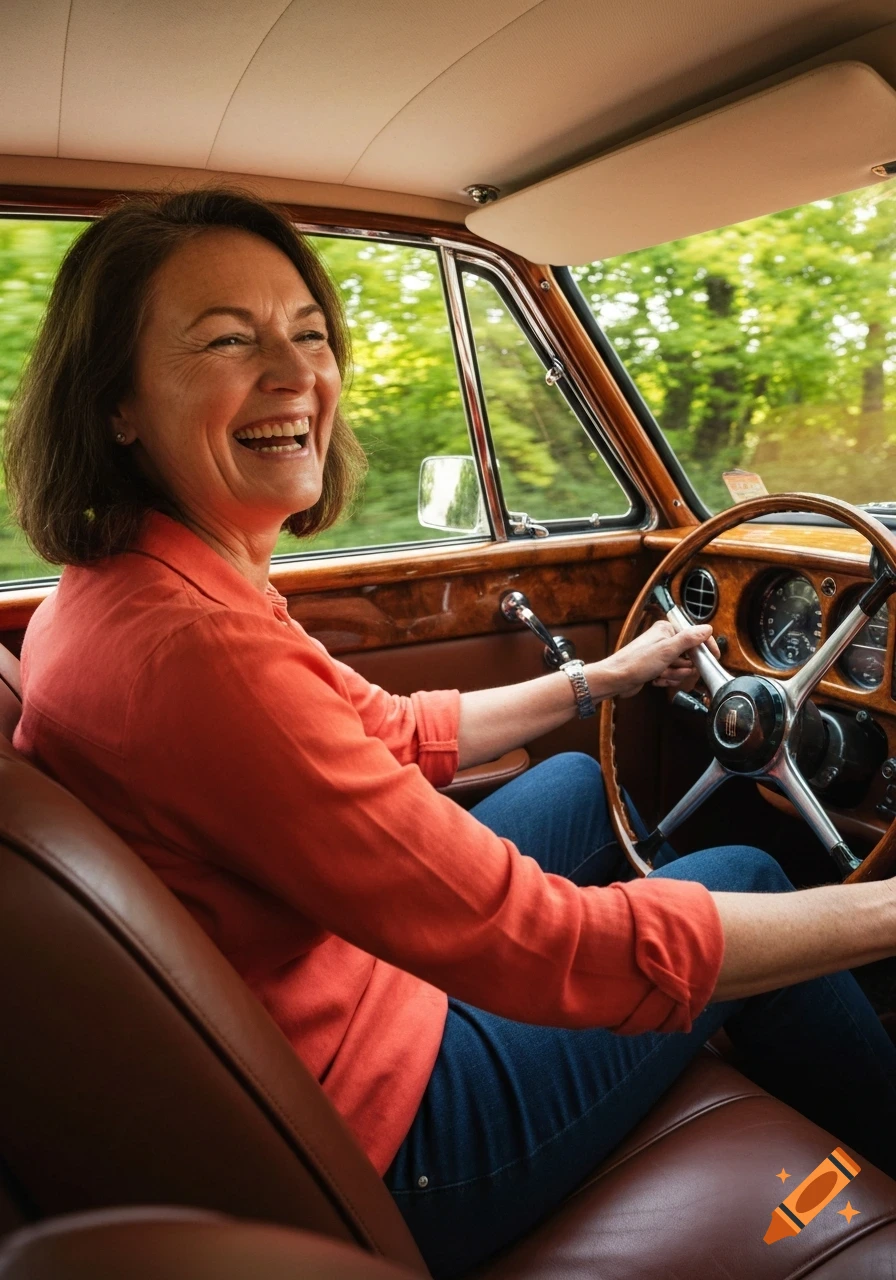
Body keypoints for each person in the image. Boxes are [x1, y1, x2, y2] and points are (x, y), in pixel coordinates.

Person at [5, 189, 896, 1279]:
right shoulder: (192, 652)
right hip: (396, 1139)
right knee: (750, 872)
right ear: (116, 403)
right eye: (229, 339)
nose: (294, 375)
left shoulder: (140, 584)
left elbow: (387, 729)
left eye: (309, 332)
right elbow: (547, 945)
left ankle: (721, 1009)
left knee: (573, 791)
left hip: (328, 1003)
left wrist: (602, 679)